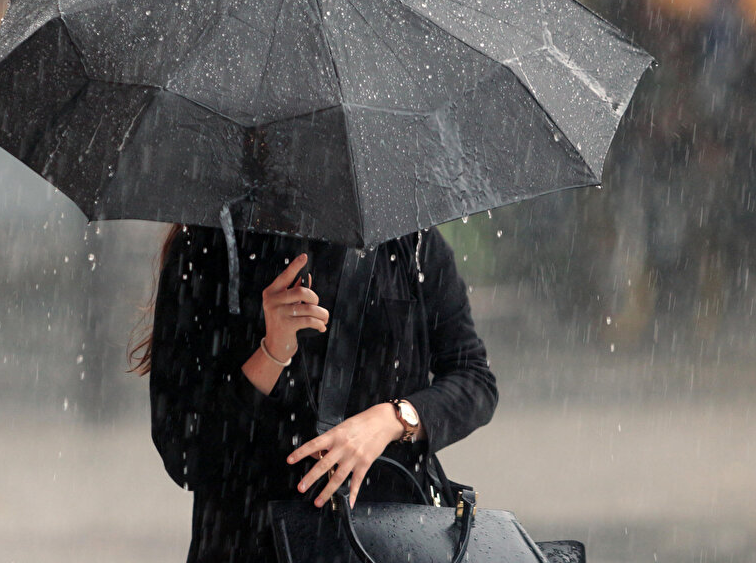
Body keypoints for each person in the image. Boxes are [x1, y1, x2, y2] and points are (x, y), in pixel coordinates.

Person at [128, 223, 498, 563]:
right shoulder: (210, 243)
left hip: (391, 540)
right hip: (249, 542)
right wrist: (272, 352)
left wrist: (392, 419)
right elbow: (184, 452)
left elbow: (473, 379)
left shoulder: (407, 241)